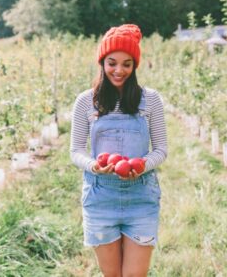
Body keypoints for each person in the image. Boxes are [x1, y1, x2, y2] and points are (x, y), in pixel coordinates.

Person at [70, 24, 167, 277]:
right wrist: (93, 165)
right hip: (101, 198)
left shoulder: (151, 99)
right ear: (102, 61)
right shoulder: (85, 101)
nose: (119, 70)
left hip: (141, 197)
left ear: (135, 66)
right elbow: (76, 150)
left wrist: (142, 165)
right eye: (112, 62)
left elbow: (161, 150)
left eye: (127, 64)